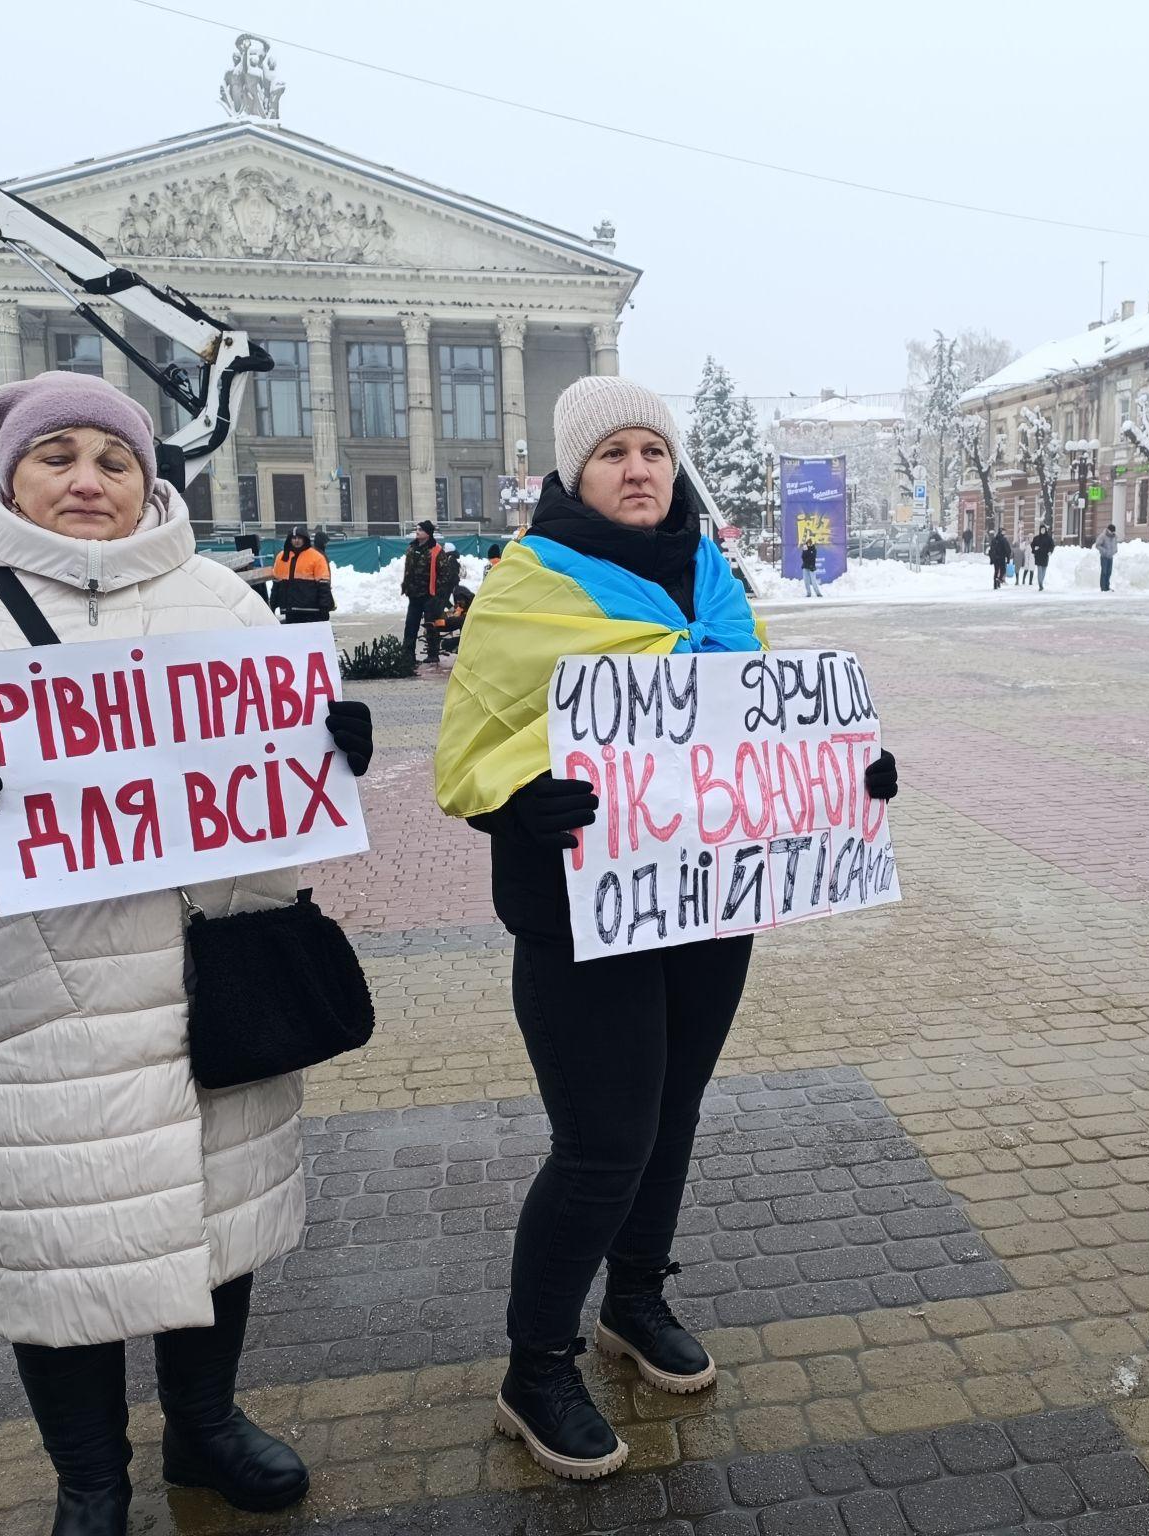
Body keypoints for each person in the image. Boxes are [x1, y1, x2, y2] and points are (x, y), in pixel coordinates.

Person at [0, 372, 375, 1536]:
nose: (87, 481)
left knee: (219, 1225)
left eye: (114, 461)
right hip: (38, 1007)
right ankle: (91, 1480)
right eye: (56, 455)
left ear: (147, 479)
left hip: (217, 986)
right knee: (58, 1250)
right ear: (8, 473)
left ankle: (206, 1432)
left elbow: (277, 774)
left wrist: (334, 748)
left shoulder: (222, 596)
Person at [435, 377, 899, 1481]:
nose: (638, 468)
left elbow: (757, 730)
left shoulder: (713, 578)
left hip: (704, 900)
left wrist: (848, 774)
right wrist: (514, 800)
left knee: (673, 1113)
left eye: (653, 449)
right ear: (571, 473)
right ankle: (533, 1363)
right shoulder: (525, 586)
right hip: (577, 912)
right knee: (600, 1145)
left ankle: (633, 1301)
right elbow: (470, 745)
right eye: (612, 453)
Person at [401, 521, 460, 668]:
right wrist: (406, 586)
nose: (417, 531)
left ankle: (433, 654)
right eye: (417, 529)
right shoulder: (411, 548)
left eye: (421, 529)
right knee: (410, 626)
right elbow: (408, 570)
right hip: (414, 595)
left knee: (431, 625)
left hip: (430, 595)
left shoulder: (436, 550)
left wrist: (438, 594)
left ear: (428, 533)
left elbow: (444, 574)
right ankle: (407, 655)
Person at [268, 526, 334, 623]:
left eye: (299, 538)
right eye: (294, 538)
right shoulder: (281, 557)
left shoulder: (316, 557)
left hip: (312, 611)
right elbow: (276, 585)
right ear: (289, 540)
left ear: (305, 539)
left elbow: (323, 585)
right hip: (290, 611)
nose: (296, 541)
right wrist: (272, 605)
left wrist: (324, 608)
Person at [1031, 523, 1056, 592]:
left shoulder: (1049, 538)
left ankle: (1041, 582)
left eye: (1043, 529)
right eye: (1041, 529)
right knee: (1039, 570)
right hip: (1038, 555)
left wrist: (1050, 551)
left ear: (1045, 530)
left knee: (1044, 570)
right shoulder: (1036, 538)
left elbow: (1052, 545)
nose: (1042, 530)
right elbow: (1032, 545)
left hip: (1045, 556)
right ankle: (1040, 584)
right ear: (1040, 530)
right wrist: (1034, 548)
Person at [987, 525, 1011, 590]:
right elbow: (1008, 550)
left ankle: (995, 584)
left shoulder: (994, 539)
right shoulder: (1004, 540)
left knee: (996, 570)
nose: (1004, 533)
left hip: (995, 558)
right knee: (1003, 570)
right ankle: (999, 579)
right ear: (1002, 532)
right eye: (1004, 532)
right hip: (1002, 557)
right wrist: (1008, 558)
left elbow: (991, 549)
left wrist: (992, 558)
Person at [1098, 524, 1119, 592]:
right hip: (1104, 557)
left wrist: (1115, 550)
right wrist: (1104, 551)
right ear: (1108, 530)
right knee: (1104, 572)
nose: (1112, 533)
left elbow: (1115, 544)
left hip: (1110, 557)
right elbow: (1097, 545)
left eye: (1113, 532)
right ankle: (1103, 587)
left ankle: (1107, 587)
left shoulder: (1115, 537)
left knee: (1109, 572)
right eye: (1111, 531)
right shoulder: (1103, 536)